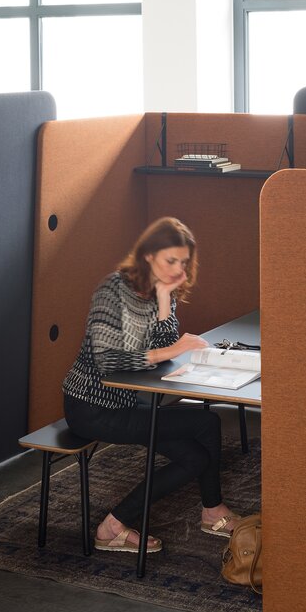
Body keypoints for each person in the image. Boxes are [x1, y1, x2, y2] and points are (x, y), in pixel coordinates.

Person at [62, 217, 237, 553]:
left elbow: (165, 343)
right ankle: (113, 527)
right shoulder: (112, 292)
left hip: (125, 403)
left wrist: (163, 300)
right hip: (91, 407)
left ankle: (210, 510)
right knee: (207, 423)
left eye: (183, 262)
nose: (177, 269)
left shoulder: (161, 289)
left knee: (196, 453)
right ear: (147, 256)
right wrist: (174, 348)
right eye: (170, 261)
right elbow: (108, 361)